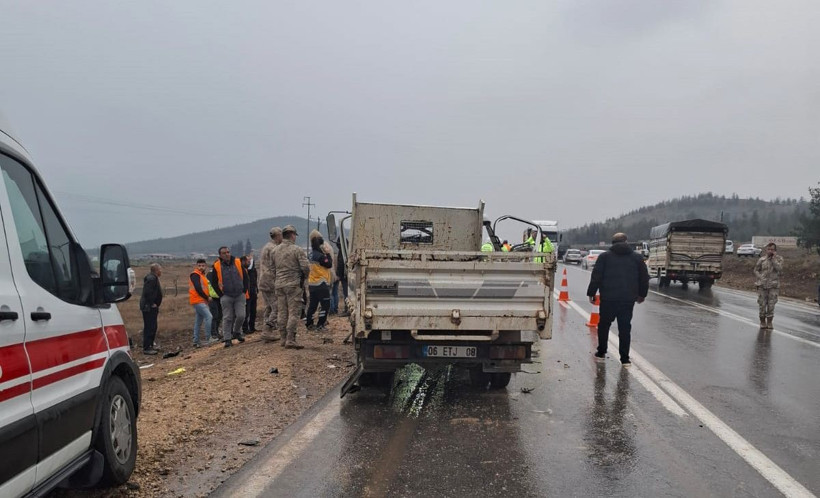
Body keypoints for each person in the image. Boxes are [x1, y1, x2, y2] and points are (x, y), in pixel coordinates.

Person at [586, 233, 649, 367]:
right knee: (625, 327)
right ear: (626, 241)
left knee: (604, 325)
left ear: (613, 242)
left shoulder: (605, 257)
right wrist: (642, 294)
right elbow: (644, 277)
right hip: (627, 299)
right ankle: (625, 359)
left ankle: (601, 352)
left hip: (608, 298)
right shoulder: (637, 258)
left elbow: (596, 276)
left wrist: (592, 293)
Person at [273, 225, 310, 348]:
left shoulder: (275, 250)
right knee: (294, 312)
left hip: (279, 284)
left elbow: (272, 268)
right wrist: (304, 277)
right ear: (293, 235)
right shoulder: (297, 250)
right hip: (293, 284)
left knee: (282, 312)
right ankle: (290, 339)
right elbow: (305, 267)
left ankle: (283, 338)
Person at [209, 246, 250, 348]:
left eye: (228, 252)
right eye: (224, 253)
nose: (227, 254)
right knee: (228, 317)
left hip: (239, 294)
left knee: (241, 316)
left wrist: (244, 290)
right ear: (220, 255)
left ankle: (236, 332)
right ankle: (227, 339)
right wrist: (221, 295)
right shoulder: (217, 266)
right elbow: (214, 282)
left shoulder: (237, 262)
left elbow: (245, 277)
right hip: (226, 295)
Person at [305, 231, 333, 330]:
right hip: (321, 283)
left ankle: (309, 323)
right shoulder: (321, 256)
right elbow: (329, 264)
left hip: (312, 284)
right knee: (325, 305)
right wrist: (328, 254)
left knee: (313, 305)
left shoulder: (310, 254)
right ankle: (320, 324)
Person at [259, 227, 283, 339]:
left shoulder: (266, 247)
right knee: (277, 307)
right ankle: (267, 330)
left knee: (269, 307)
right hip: (270, 281)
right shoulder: (274, 249)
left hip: (264, 281)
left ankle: (266, 328)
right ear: (278, 236)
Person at [754, 242, 783, 329]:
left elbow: (779, 269)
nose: (770, 251)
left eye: (772, 249)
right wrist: (760, 277)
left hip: (773, 286)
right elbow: (756, 270)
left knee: (771, 305)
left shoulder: (779, 259)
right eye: (769, 249)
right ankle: (762, 322)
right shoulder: (762, 259)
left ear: (775, 251)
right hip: (762, 286)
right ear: (766, 250)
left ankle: (769, 322)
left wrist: (773, 259)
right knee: (762, 305)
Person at [189, 259, 214, 347]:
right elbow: (198, 288)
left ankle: (196, 341)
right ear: (196, 266)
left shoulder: (202, 276)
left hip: (200, 300)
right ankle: (208, 338)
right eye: (199, 266)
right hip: (198, 300)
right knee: (209, 317)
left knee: (198, 321)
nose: (201, 267)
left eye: (203, 266)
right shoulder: (195, 275)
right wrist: (207, 297)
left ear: (205, 266)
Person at [140, 263, 163, 355]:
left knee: (153, 326)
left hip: (150, 307)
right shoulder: (151, 279)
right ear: (156, 270)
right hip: (148, 308)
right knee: (150, 327)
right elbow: (147, 293)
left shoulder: (153, 278)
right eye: (160, 269)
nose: (161, 271)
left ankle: (151, 345)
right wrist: (151, 303)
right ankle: (147, 347)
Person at [242, 252, 259, 333]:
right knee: (246, 311)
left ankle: (252, 327)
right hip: (247, 293)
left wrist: (256, 288)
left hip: (253, 291)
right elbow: (249, 269)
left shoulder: (253, 270)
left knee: (253, 311)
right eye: (248, 260)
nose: (249, 261)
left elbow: (255, 279)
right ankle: (245, 328)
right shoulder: (244, 270)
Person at [207, 264, 223, 340]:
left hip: (219, 297)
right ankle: (213, 333)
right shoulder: (210, 274)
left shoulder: (219, 273)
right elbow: (209, 286)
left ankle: (216, 332)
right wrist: (208, 295)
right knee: (215, 315)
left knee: (219, 315)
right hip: (212, 298)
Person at [334, 237, 349, 316]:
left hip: (344, 276)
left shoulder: (342, 252)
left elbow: (341, 264)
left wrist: (338, 275)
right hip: (348, 275)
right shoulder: (348, 250)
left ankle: (347, 309)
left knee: (346, 293)